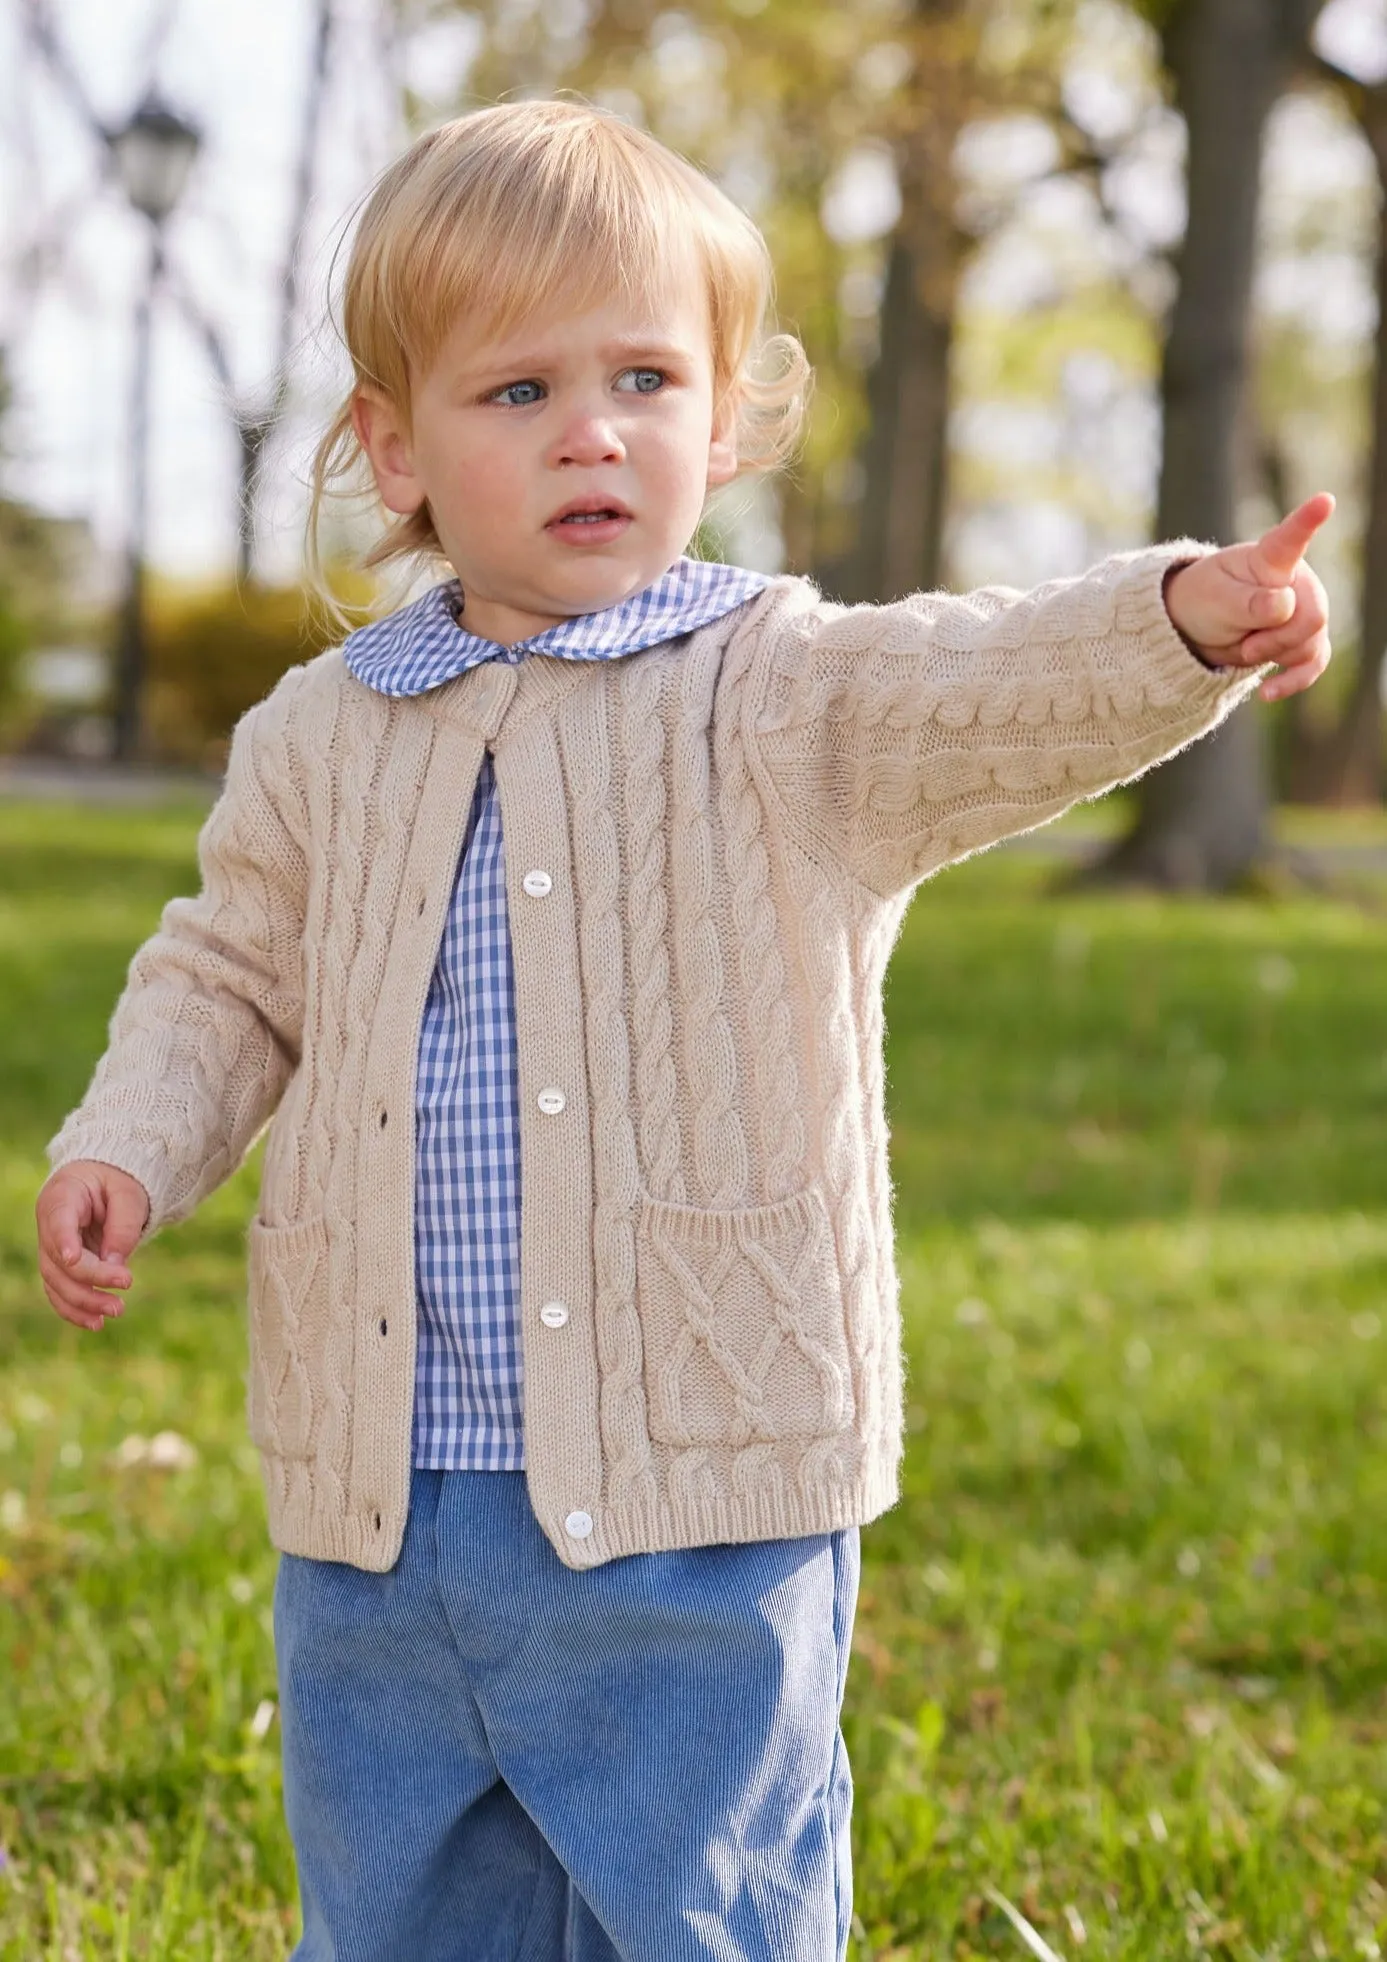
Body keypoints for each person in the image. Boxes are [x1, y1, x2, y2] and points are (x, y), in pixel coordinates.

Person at [34, 99, 1333, 1962]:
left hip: (695, 1478)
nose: (591, 429)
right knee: (401, 1904)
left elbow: (990, 687)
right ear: (395, 449)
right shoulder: (321, 735)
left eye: (645, 375)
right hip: (380, 1502)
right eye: (517, 392)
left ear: (720, 420)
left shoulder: (783, 693)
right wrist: (128, 1145)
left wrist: (1182, 623)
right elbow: (229, 974)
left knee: (703, 1906)